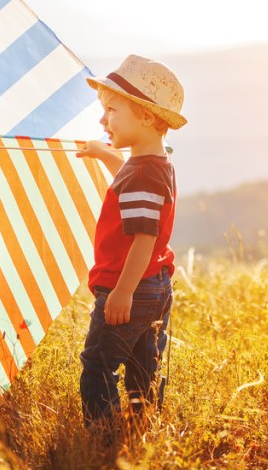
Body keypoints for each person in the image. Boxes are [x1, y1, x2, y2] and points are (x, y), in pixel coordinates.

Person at [76, 54, 186, 434]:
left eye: (111, 110)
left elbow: (144, 238)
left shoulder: (143, 175)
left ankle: (103, 437)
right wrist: (106, 153)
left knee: (97, 365)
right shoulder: (153, 164)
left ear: (147, 117)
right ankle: (143, 423)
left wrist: (121, 292)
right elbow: (129, 177)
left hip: (130, 285)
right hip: (155, 283)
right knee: (142, 363)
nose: (103, 120)